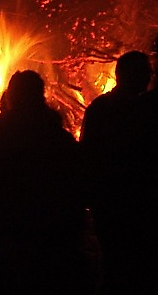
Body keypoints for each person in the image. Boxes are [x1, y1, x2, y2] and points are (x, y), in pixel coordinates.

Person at [0, 70, 88, 293]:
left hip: (10, 232)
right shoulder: (56, 134)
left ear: (11, 96)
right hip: (51, 235)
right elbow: (78, 177)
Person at [84, 50, 155, 293]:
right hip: (128, 202)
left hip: (110, 202)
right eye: (145, 72)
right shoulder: (142, 111)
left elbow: (86, 154)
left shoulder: (99, 108)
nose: (150, 76)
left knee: (116, 264)